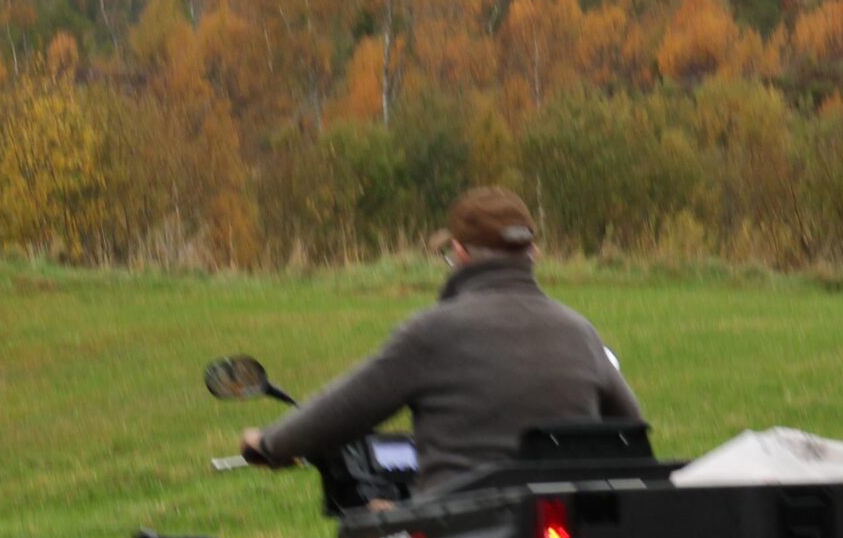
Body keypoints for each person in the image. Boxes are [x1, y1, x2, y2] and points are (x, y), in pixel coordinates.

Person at [241, 186, 640, 498]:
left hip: (458, 533)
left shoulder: (433, 333)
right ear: (532, 253)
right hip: (568, 532)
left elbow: (345, 408)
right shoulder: (581, 333)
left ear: (459, 252)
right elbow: (631, 426)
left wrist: (270, 444)